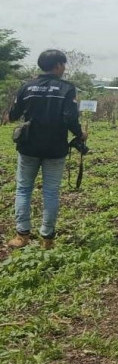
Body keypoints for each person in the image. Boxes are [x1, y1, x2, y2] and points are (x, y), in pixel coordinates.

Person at [5, 49, 88, 250]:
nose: (64, 68)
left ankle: (22, 235)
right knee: (50, 192)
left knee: (24, 189)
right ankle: (47, 238)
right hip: (55, 148)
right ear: (58, 65)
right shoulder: (67, 88)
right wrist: (80, 134)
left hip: (28, 147)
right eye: (64, 65)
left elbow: (13, 115)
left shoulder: (27, 86)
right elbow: (70, 117)